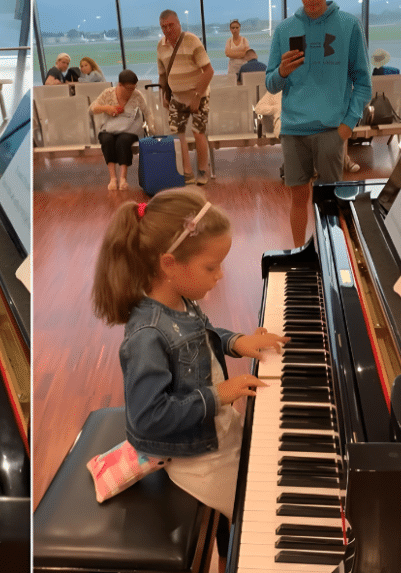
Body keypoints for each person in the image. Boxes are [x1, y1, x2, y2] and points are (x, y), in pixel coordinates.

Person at [91, 187, 286, 571]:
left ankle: (230, 547)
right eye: (211, 267)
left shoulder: (178, 300)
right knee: (266, 505)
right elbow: (148, 418)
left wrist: (237, 342)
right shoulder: (147, 335)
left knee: (269, 452)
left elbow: (204, 335)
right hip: (192, 457)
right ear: (169, 264)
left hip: (214, 432)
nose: (220, 276)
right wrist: (219, 395)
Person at [265, 0, 371, 247]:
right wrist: (281, 72)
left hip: (330, 130)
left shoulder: (348, 25)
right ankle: (301, 253)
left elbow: (364, 85)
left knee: (332, 199)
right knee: (298, 197)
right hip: (293, 129)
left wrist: (347, 126)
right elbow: (270, 83)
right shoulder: (284, 30)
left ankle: (334, 252)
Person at [157, 9, 214, 186]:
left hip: (200, 95)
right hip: (177, 97)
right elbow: (162, 75)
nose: (167, 29)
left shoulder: (191, 40)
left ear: (179, 23)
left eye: (171, 25)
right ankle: (187, 172)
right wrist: (164, 95)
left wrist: (197, 96)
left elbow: (209, 71)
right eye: (164, 26)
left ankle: (203, 170)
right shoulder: (161, 46)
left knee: (198, 133)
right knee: (178, 135)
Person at [89, 69, 155, 190]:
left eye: (133, 88)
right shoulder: (108, 93)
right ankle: (113, 178)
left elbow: (147, 112)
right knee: (107, 140)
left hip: (130, 129)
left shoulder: (137, 95)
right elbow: (92, 108)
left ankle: (123, 178)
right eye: (128, 88)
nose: (131, 91)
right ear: (120, 85)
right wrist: (107, 108)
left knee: (123, 141)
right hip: (109, 128)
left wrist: (153, 129)